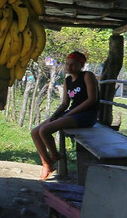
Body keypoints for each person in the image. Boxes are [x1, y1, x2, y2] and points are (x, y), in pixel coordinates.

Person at [31, 51, 100, 181]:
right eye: (67, 64)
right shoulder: (67, 80)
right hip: (71, 113)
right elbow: (65, 103)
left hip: (87, 115)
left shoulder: (87, 76)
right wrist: (54, 116)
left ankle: (55, 155)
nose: (69, 67)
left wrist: (69, 113)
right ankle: (47, 164)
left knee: (44, 130)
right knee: (35, 132)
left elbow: (92, 99)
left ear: (81, 65)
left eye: (73, 65)